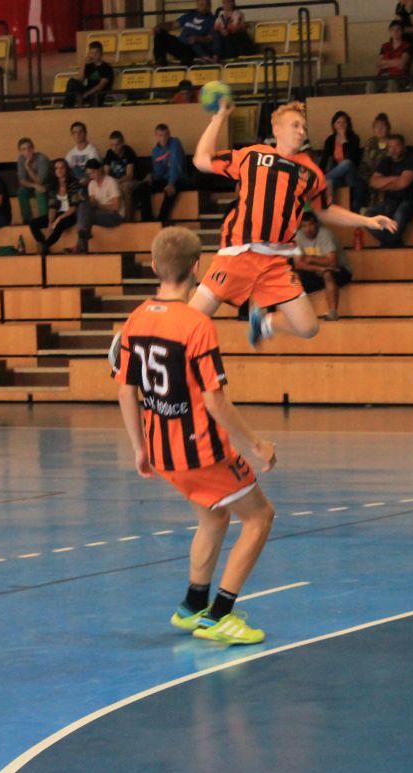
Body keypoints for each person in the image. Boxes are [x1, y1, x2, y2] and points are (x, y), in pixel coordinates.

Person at [114, 226, 277, 645]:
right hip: (201, 451)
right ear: (197, 268)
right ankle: (219, 616)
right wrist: (256, 445)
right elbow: (214, 400)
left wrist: (139, 448)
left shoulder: (135, 319)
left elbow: (125, 390)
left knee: (214, 516)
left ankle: (192, 606)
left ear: (154, 266)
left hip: (163, 451)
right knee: (259, 517)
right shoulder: (196, 325)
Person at [191, 100, 396, 348]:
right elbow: (201, 160)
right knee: (191, 320)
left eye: (304, 127)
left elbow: (325, 210)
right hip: (239, 254)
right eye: (295, 125)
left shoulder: (310, 172)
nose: (301, 131)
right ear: (276, 129)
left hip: (275, 261)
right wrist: (219, 118)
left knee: (308, 327)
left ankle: (265, 323)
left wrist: (367, 220)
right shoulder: (253, 156)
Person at [293, 212, 352, 321]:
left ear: (316, 224)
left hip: (340, 270)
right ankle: (297, 315)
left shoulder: (325, 234)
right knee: (293, 276)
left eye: (310, 225)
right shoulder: (299, 236)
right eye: (304, 226)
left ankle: (333, 312)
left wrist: (311, 259)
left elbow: (332, 262)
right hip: (316, 272)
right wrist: (320, 268)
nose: (308, 229)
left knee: (327, 273)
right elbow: (299, 264)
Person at [365, 133, 413, 248]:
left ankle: (388, 244)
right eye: (390, 146)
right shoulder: (386, 161)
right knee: (368, 216)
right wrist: (394, 178)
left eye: (396, 146)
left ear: (403, 146)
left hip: (410, 200)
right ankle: (393, 242)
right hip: (390, 200)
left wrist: (383, 183)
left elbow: (403, 183)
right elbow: (373, 182)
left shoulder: (411, 159)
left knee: (399, 214)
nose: (393, 150)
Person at [28, 159, 84, 254]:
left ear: (66, 169)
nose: (59, 170)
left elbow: (74, 207)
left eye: (62, 167)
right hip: (58, 213)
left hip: (71, 214)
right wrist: (51, 221)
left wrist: (58, 219)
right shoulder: (53, 185)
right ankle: (43, 245)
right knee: (33, 223)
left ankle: (45, 246)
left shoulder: (74, 183)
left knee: (59, 224)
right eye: (56, 168)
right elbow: (52, 206)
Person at [136, 123, 187, 224]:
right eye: (160, 135)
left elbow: (175, 165)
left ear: (169, 134)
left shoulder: (175, 143)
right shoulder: (155, 151)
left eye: (165, 135)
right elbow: (159, 173)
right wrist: (151, 176)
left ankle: (161, 221)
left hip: (178, 178)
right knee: (143, 188)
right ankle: (147, 221)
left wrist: (171, 183)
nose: (163, 138)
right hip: (165, 179)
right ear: (156, 136)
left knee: (169, 191)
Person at [319, 111, 365, 212]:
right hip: (339, 177)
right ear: (334, 125)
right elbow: (324, 160)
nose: (341, 125)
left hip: (352, 174)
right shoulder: (330, 140)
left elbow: (351, 158)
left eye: (344, 122)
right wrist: (318, 172)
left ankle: (320, 180)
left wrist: (344, 139)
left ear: (348, 124)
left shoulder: (354, 138)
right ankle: (330, 212)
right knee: (329, 181)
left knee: (347, 163)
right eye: (338, 122)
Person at [75, 158, 123, 254]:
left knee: (85, 218)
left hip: (115, 215)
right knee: (83, 206)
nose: (91, 176)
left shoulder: (111, 182)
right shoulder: (91, 184)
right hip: (99, 213)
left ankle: (80, 244)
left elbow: (116, 207)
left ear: (100, 170)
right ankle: (82, 241)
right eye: (89, 174)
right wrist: (87, 202)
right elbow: (92, 203)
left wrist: (98, 205)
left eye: (93, 172)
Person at [153, 0, 219, 66]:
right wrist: (159, 26)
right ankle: (160, 62)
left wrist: (198, 38)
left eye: (207, 5)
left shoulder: (213, 20)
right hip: (180, 44)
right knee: (160, 34)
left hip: (193, 48)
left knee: (188, 54)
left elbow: (210, 39)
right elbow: (172, 25)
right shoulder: (190, 15)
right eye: (202, 4)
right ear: (197, 4)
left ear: (210, 6)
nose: (204, 7)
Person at [357, 113, 392, 210]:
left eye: (382, 127)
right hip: (369, 175)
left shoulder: (392, 142)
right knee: (359, 184)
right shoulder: (370, 142)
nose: (380, 129)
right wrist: (368, 177)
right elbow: (364, 162)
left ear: (388, 128)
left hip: (385, 176)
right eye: (377, 127)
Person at [104, 130, 140, 222]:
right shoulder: (109, 153)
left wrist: (115, 182)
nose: (114, 148)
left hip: (134, 180)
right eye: (112, 145)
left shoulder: (129, 152)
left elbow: (129, 176)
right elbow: (106, 173)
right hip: (116, 181)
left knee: (125, 187)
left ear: (122, 142)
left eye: (117, 145)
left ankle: (128, 219)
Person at [65, 41, 113, 108]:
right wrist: (83, 63)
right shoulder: (89, 66)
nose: (93, 55)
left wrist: (85, 95)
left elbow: (101, 86)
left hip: (99, 93)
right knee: (72, 82)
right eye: (91, 53)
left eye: (96, 53)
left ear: (101, 54)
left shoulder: (107, 67)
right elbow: (80, 79)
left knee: (95, 96)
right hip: (88, 90)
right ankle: (67, 108)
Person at [16, 137, 52, 224]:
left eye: (29, 148)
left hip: (48, 185)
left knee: (38, 191)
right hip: (33, 186)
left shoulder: (42, 158)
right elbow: (22, 181)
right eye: (24, 149)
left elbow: (40, 181)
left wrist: (28, 168)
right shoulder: (21, 159)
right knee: (21, 191)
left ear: (33, 148)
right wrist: (34, 185)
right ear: (20, 151)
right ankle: (27, 221)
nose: (27, 151)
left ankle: (43, 220)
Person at [373, 20, 412, 94]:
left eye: (398, 29)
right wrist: (395, 62)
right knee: (371, 84)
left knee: (392, 82)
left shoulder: (407, 46)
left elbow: (402, 63)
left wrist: (385, 63)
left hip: (399, 76)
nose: (395, 32)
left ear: (402, 32)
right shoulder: (385, 46)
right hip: (383, 76)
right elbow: (378, 64)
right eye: (392, 30)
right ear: (390, 32)